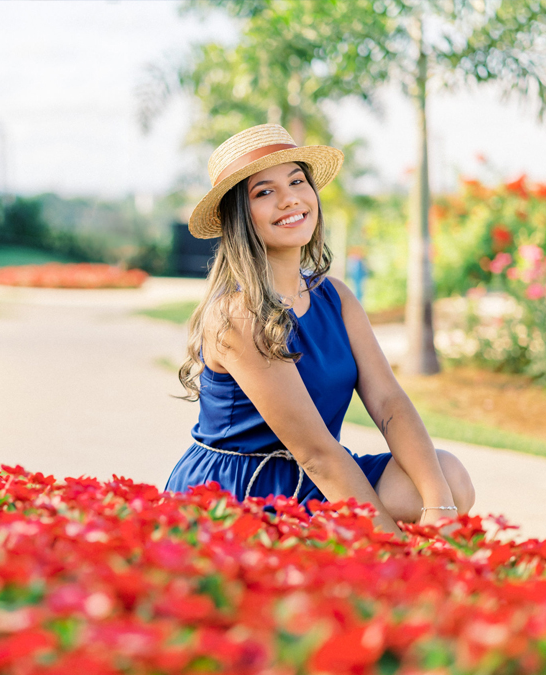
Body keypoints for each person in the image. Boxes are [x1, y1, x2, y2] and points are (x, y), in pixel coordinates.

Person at [164, 124, 475, 535]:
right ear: (240, 216)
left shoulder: (335, 297)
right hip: (242, 487)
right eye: (264, 191)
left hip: (314, 473)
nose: (290, 197)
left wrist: (439, 507)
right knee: (390, 527)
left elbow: (389, 403)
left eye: (297, 181)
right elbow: (315, 452)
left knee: (447, 475)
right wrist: (391, 548)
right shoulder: (238, 314)